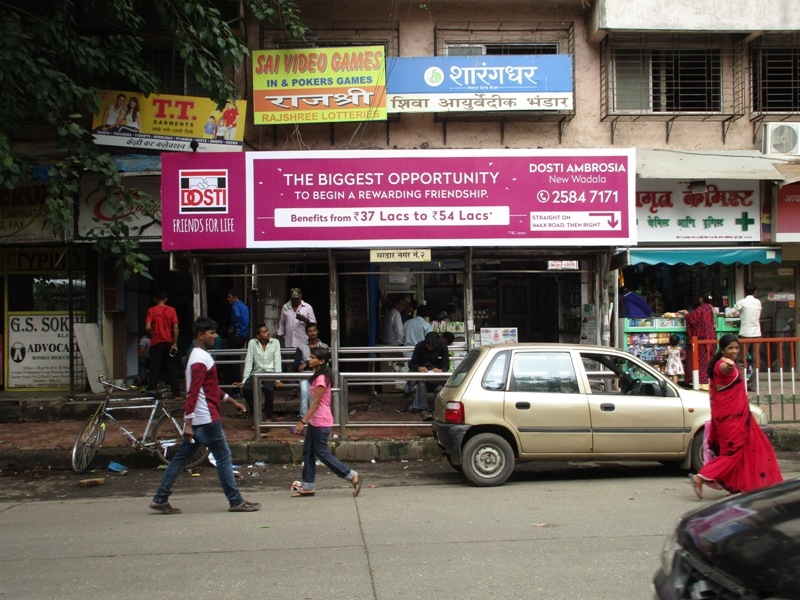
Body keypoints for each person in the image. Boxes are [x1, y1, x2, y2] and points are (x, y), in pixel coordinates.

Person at [149, 317, 261, 514]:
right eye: (211, 333)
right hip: (205, 418)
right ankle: (235, 500)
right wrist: (188, 423)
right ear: (200, 335)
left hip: (201, 417)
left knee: (181, 458)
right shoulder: (200, 358)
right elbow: (193, 391)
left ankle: (160, 497)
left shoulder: (198, 356)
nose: (215, 336)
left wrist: (231, 401)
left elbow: (210, 387)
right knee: (224, 457)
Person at [689, 334, 782, 499]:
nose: (734, 351)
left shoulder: (723, 363)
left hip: (737, 416)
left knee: (748, 450)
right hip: (731, 418)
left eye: (736, 348)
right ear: (722, 350)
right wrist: (730, 367)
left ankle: (738, 487)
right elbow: (725, 369)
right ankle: (701, 476)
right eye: (730, 348)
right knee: (733, 453)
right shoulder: (722, 365)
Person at [291, 347, 361, 498]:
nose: (309, 360)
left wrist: (302, 422)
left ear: (321, 361)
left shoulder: (321, 379)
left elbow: (316, 403)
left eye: (313, 357)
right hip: (315, 421)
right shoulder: (317, 376)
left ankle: (351, 475)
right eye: (310, 357)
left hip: (321, 421)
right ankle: (308, 486)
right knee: (308, 452)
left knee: (321, 453)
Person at [237, 323, 283, 421]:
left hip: (270, 373)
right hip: (256, 373)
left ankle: (268, 415)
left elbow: (277, 360)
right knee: (246, 389)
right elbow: (249, 361)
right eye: (264, 332)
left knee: (268, 389)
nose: (268, 333)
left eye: (267, 331)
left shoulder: (275, 342)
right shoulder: (252, 343)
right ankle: (257, 414)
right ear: (258, 335)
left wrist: (278, 378)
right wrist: (245, 380)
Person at [145, 290, 181, 399]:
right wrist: (175, 342)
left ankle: (151, 393)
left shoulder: (151, 310)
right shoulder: (172, 310)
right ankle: (176, 394)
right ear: (166, 299)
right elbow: (175, 327)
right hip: (169, 341)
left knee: (154, 367)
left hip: (156, 341)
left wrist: (153, 331)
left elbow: (147, 327)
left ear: (155, 299)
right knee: (172, 367)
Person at [408, 331, 450, 421]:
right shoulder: (419, 346)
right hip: (424, 376)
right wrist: (419, 368)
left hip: (437, 377)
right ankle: (423, 412)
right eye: (428, 345)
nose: (430, 348)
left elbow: (446, 364)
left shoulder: (442, 347)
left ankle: (436, 411)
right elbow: (412, 363)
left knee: (439, 388)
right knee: (421, 385)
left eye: (432, 346)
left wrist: (441, 370)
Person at [679, 292, 717, 391]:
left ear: (701, 299)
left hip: (700, 338)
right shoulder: (713, 310)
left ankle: (701, 381)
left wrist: (686, 313)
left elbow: (692, 320)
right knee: (709, 359)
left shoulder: (700, 309)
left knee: (700, 361)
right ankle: (708, 381)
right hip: (711, 338)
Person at [293, 321, 329, 419]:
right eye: (310, 331)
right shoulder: (301, 346)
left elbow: (326, 363)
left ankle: (316, 418)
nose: (312, 333)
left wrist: (306, 363)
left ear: (317, 331)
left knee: (317, 396)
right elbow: (297, 365)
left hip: (320, 374)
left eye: (314, 330)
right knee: (305, 393)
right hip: (304, 375)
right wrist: (311, 364)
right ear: (306, 333)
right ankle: (303, 418)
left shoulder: (324, 346)